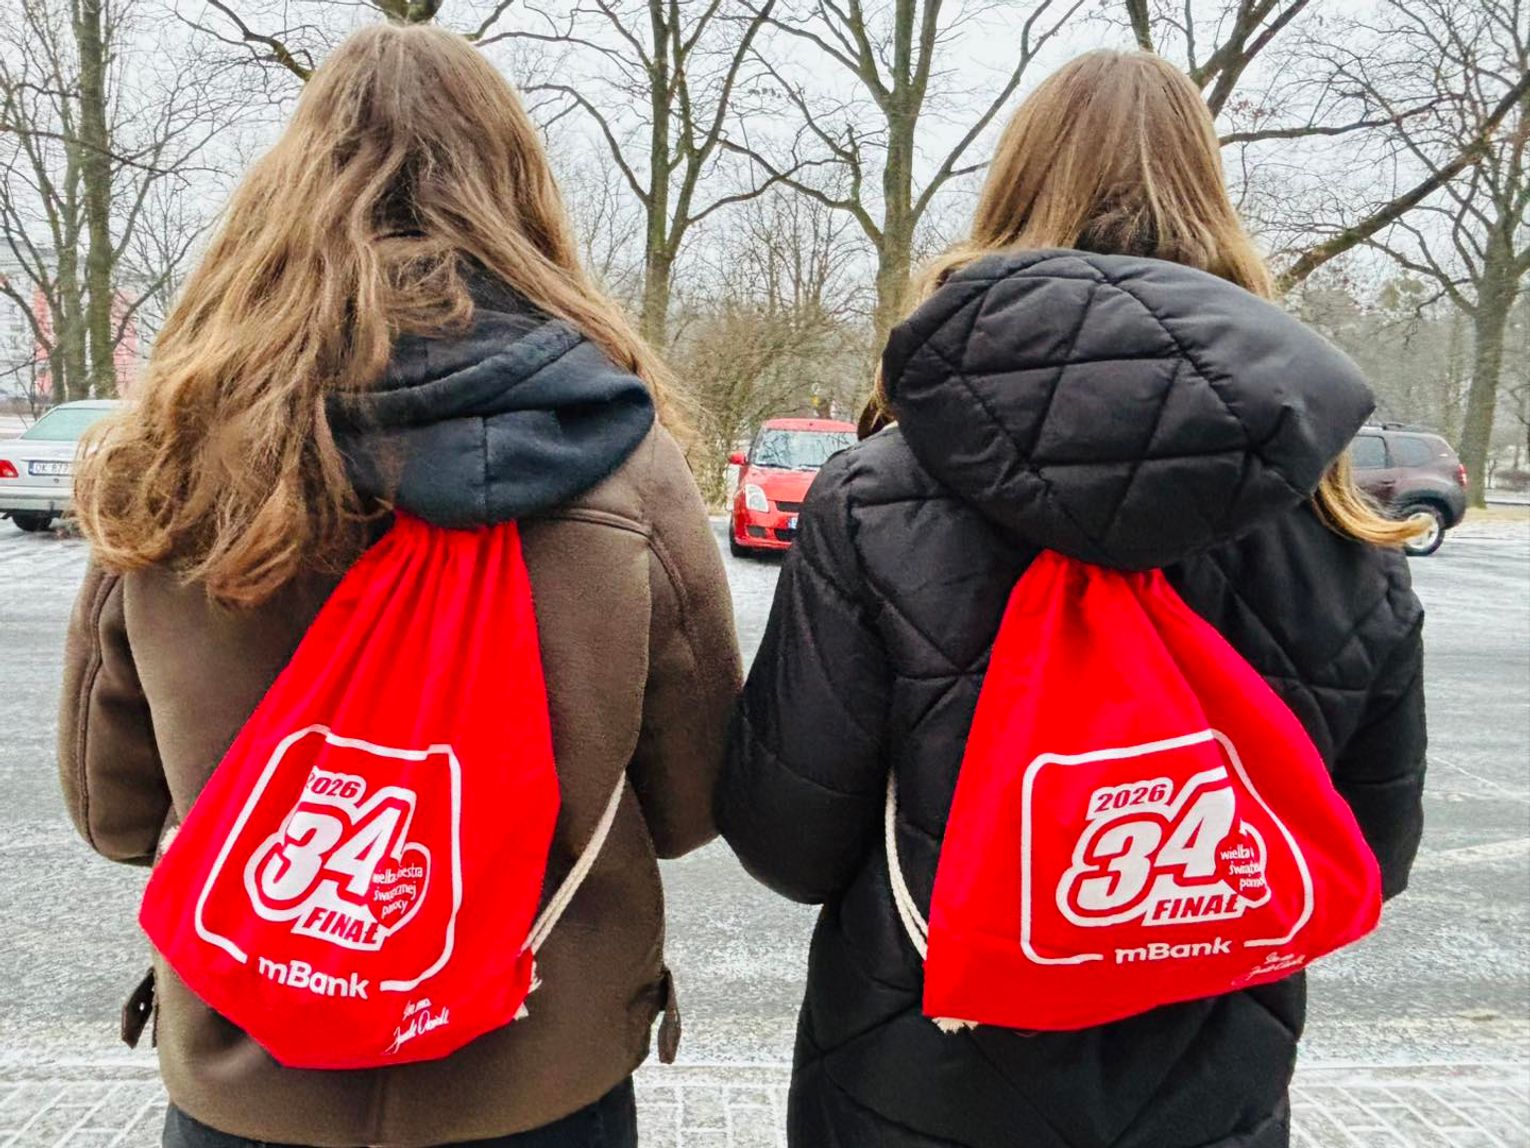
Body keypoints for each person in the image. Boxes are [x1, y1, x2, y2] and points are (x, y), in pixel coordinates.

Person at [717, 49, 1426, 1148]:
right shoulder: (1341, 531)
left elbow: (789, 842)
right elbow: (1368, 853)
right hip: (1207, 1095)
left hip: (918, 1083)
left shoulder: (877, 499)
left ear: (1013, 197)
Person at [60, 23, 740, 1148]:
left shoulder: (171, 452)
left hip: (251, 1077)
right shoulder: (625, 459)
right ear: (516, 194)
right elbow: (693, 800)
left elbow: (112, 810)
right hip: (538, 1072)